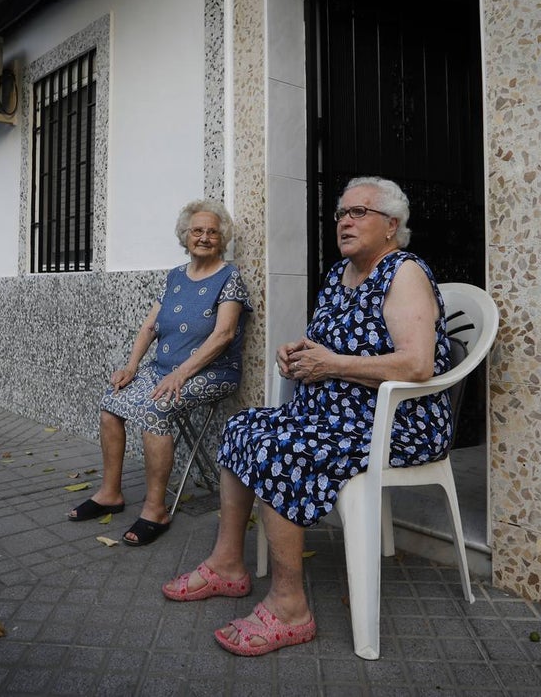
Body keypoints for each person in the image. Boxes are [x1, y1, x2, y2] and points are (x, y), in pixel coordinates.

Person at [161, 176, 453, 656]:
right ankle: (228, 564)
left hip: (395, 423)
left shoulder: (404, 272)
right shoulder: (340, 275)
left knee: (283, 449)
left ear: (391, 226)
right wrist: (300, 354)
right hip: (332, 416)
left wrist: (332, 364)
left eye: (359, 212)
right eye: (341, 213)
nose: (345, 220)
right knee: (243, 427)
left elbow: (417, 364)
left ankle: (289, 607)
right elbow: (331, 348)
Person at [68, 199, 253, 547]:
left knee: (156, 411)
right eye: (197, 231)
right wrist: (131, 366)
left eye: (213, 232)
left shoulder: (230, 277)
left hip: (211, 372)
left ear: (222, 239)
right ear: (185, 236)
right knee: (112, 402)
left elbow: (224, 334)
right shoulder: (174, 276)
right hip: (164, 369)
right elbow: (150, 325)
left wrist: (182, 374)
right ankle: (110, 493)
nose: (205, 237)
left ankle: (155, 509)